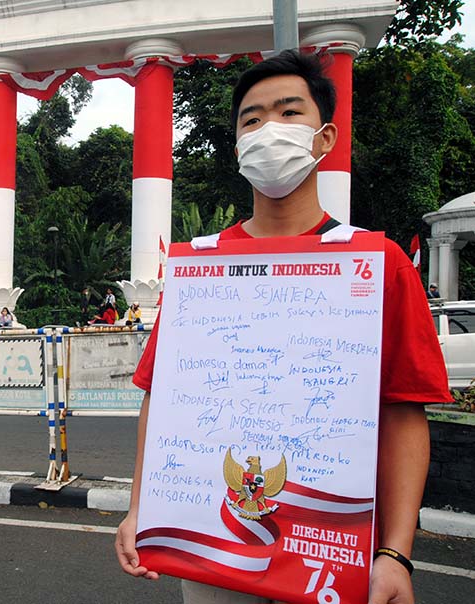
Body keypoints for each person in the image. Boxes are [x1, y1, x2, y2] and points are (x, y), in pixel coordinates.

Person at [115, 50, 452, 604]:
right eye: (252, 119)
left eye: (289, 112)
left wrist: (395, 554)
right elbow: (163, 397)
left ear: (325, 137)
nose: (269, 128)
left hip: (334, 556)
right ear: (239, 149)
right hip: (213, 552)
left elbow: (403, 411)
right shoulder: (203, 269)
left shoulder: (377, 263)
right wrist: (141, 507)